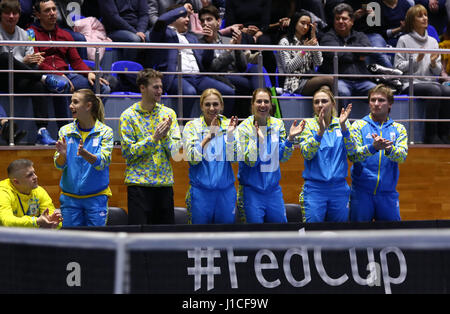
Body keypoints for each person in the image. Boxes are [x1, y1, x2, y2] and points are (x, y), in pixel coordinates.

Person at [27, 0, 110, 130]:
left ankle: (90, 128)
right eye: (47, 11)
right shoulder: (30, 33)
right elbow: (37, 62)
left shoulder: (65, 35)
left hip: (66, 75)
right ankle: (67, 132)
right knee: (61, 85)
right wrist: (58, 75)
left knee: (103, 88)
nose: (52, 13)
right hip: (45, 76)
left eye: (54, 9)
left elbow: (76, 61)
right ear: (38, 15)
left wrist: (89, 73)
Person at [149, 3, 235, 118]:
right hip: (176, 76)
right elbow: (161, 21)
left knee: (228, 92)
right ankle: (183, 128)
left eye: (188, 17)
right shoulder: (163, 34)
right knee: (190, 92)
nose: (187, 20)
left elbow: (205, 63)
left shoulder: (192, 37)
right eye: (184, 16)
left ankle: (221, 125)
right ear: (173, 18)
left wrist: (209, 44)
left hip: (198, 77)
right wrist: (182, 9)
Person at [119, 68, 181, 225]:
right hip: (138, 186)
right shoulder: (128, 116)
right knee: (139, 240)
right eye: (155, 87)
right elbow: (128, 152)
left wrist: (165, 136)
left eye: (161, 87)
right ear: (142, 88)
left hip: (164, 184)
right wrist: (153, 139)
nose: (160, 90)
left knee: (165, 240)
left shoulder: (169, 114)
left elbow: (175, 152)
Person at [236, 88, 305, 223]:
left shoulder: (277, 124)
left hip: (273, 191)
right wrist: (259, 142)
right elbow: (250, 162)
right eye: (259, 101)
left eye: (266, 101)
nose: (263, 105)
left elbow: (283, 157)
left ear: (271, 105)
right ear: (252, 104)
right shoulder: (243, 128)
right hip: (251, 193)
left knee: (280, 235)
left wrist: (290, 139)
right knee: (255, 238)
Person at [0, 0, 58, 145]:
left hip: (18, 79)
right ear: (1, 15)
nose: (11, 16)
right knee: (4, 57)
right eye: (7, 13)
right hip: (2, 79)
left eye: (15, 13)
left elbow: (33, 63)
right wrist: (22, 61)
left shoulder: (24, 34)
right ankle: (45, 78)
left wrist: (26, 63)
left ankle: (42, 131)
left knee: (37, 85)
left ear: (19, 15)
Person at [348, 84, 408, 221]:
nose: (376, 104)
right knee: (358, 240)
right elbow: (353, 155)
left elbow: (402, 156)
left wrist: (389, 149)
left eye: (381, 100)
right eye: (372, 100)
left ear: (390, 104)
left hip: (387, 194)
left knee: (391, 239)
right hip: (361, 193)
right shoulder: (358, 125)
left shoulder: (399, 129)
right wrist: (372, 148)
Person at [54, 89, 113, 227]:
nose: (70, 106)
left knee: (96, 244)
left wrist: (85, 154)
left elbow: (103, 162)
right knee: (71, 243)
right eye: (70, 102)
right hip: (70, 200)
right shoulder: (65, 131)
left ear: (88, 106)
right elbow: (59, 165)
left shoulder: (105, 132)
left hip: (96, 199)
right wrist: (62, 156)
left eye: (75, 102)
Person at [394, 4, 450, 144]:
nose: (424, 18)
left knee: (447, 90)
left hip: (430, 82)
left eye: (425, 15)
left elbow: (437, 72)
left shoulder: (433, 41)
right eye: (420, 16)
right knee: (435, 90)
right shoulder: (404, 40)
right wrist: (415, 61)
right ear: (412, 21)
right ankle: (430, 135)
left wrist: (433, 64)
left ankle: (444, 134)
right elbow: (398, 68)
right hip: (410, 83)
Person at [182, 88, 239, 224]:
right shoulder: (191, 127)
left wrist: (230, 136)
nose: (212, 108)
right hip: (200, 194)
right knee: (199, 240)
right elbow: (192, 159)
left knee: (226, 240)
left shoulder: (229, 125)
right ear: (201, 106)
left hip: (226, 193)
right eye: (207, 104)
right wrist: (208, 137)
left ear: (222, 106)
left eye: (215, 104)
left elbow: (235, 158)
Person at [297, 88, 353, 222]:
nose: (320, 105)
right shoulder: (307, 124)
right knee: (313, 235)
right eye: (316, 102)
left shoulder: (343, 123)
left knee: (340, 235)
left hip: (339, 188)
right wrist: (319, 133)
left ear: (333, 104)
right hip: (315, 189)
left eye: (324, 101)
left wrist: (344, 127)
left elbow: (352, 152)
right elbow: (307, 153)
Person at [198, 5, 257, 117]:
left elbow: (242, 67)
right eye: (202, 21)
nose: (205, 23)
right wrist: (229, 50)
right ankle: (256, 113)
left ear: (218, 22)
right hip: (218, 77)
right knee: (246, 85)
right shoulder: (200, 43)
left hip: (234, 76)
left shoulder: (226, 40)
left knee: (256, 70)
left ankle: (260, 102)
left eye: (209, 19)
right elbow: (212, 68)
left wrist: (238, 47)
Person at [319, 3, 376, 108]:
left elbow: (367, 50)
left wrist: (345, 49)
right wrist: (356, 55)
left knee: (378, 93)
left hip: (362, 80)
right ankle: (342, 123)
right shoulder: (327, 37)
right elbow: (335, 54)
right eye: (337, 18)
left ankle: (376, 123)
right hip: (341, 80)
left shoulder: (360, 35)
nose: (340, 21)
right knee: (343, 92)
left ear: (352, 21)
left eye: (344, 18)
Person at [278, 10, 333, 95]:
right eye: (302, 23)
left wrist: (314, 39)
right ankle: (339, 108)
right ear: (295, 23)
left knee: (325, 89)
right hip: (293, 82)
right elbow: (288, 68)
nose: (305, 27)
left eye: (308, 25)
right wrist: (304, 51)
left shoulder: (308, 41)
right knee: (330, 79)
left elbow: (318, 62)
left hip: (309, 78)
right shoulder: (285, 42)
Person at [0, 158, 62, 228]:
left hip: (31, 235)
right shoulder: (3, 193)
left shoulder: (39, 191)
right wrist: (36, 221)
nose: (35, 177)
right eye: (29, 175)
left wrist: (52, 224)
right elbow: (7, 221)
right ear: (16, 182)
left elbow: (52, 217)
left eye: (34, 173)